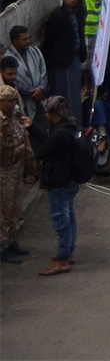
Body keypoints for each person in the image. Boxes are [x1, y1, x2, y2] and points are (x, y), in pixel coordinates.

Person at [36, 95, 83, 276]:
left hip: (58, 180)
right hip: (70, 179)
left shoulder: (59, 134)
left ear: (52, 114)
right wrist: (31, 128)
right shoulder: (68, 127)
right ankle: (68, 252)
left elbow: (44, 151)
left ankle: (62, 260)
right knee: (68, 215)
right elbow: (49, 141)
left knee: (60, 219)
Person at [0, 85, 30, 265]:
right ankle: (2, 246)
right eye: (9, 101)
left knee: (15, 209)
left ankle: (11, 240)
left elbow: (23, 135)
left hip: (17, 166)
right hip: (4, 170)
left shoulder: (14, 116)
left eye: (14, 100)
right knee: (4, 210)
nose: (13, 104)